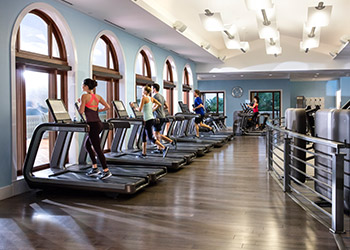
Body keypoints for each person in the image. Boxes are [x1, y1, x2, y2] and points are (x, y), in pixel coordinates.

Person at [78, 78, 112, 180]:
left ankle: (106, 170)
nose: (82, 87)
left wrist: (80, 102)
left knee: (97, 149)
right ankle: (95, 168)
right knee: (87, 145)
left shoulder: (84, 96)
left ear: (87, 86)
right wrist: (99, 110)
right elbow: (108, 107)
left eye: (83, 85)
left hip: (92, 125)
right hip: (99, 124)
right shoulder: (97, 97)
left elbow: (81, 111)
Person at [130, 85, 169, 158]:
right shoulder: (151, 98)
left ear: (145, 91)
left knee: (150, 137)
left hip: (147, 119)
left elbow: (140, 109)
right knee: (143, 136)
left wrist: (133, 107)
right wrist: (152, 109)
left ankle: (164, 148)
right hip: (151, 118)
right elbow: (159, 104)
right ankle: (143, 153)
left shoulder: (144, 98)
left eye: (143, 90)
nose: (142, 91)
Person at [152, 83, 175, 152]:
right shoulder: (162, 96)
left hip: (157, 117)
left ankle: (160, 148)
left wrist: (152, 110)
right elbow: (167, 106)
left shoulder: (155, 96)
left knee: (156, 134)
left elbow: (155, 106)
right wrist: (161, 109)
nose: (152, 90)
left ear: (154, 89)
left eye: (152, 88)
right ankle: (170, 141)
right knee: (157, 133)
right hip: (163, 116)